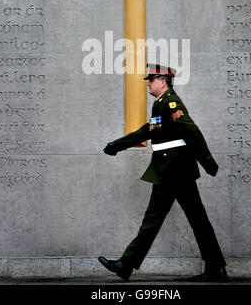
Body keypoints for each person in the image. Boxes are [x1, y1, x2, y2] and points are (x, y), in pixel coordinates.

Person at [98, 64, 228, 282]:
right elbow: (149, 130)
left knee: (156, 218)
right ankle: (216, 268)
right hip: (173, 170)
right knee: (194, 219)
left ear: (163, 81)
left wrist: (208, 162)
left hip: (174, 170)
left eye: (151, 80)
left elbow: (192, 130)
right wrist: (118, 145)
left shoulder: (170, 102)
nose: (148, 83)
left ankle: (126, 264)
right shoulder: (161, 104)